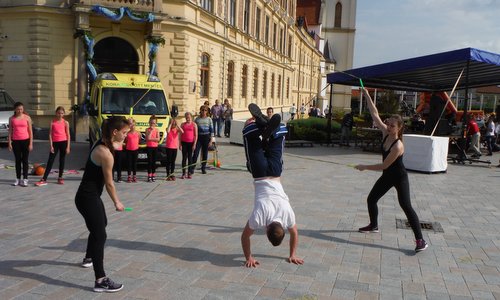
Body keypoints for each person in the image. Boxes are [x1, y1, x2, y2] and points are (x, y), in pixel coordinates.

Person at [355, 88, 428, 253]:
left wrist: (364, 167)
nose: (388, 127)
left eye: (392, 126)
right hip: (387, 176)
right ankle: (373, 225)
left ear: (399, 128)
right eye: (388, 124)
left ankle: (420, 240)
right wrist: (366, 94)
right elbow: (375, 113)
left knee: (406, 206)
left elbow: (384, 166)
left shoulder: (398, 146)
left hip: (399, 177)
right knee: (371, 199)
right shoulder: (385, 134)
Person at [241, 103, 304, 268]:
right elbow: (245, 237)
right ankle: (258, 127)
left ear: (282, 228)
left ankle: (270, 129)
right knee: (249, 136)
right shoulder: (259, 217)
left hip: (275, 173)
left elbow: (294, 233)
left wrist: (293, 254)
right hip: (260, 174)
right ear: (266, 230)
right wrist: (249, 258)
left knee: (281, 132)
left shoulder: (287, 216)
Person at [75, 116, 129, 293]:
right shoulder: (105, 153)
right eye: (124, 132)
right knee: (100, 235)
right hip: (87, 198)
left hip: (88, 196)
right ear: (115, 132)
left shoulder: (103, 140)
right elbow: (109, 183)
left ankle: (89, 257)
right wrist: (117, 202)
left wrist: (129, 127)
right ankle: (100, 279)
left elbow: (119, 143)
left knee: (100, 225)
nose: (126, 135)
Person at [35, 106, 70, 186]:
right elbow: (50, 134)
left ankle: (60, 177)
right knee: (50, 161)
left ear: (63, 114)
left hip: (64, 142)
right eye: (58, 113)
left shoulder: (66, 123)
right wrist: (51, 146)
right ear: (56, 113)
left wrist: (68, 147)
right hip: (55, 143)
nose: (60, 115)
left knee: (62, 160)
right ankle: (44, 178)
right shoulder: (52, 122)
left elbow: (68, 135)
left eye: (61, 113)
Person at [8, 102, 33, 187]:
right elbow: (10, 131)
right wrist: (9, 143)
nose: (20, 111)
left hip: (25, 141)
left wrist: (31, 143)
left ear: (23, 109)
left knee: (25, 161)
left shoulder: (27, 118)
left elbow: (30, 131)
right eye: (18, 109)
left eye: (21, 109)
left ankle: (25, 179)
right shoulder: (11, 118)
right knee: (17, 161)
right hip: (16, 142)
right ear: (15, 109)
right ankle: (18, 179)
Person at [190, 105, 213, 175]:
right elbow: (193, 130)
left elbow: (212, 131)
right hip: (199, 138)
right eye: (202, 110)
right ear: (200, 111)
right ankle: (192, 168)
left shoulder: (209, 119)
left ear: (207, 111)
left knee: (205, 154)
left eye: (205, 110)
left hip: (206, 137)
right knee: (196, 153)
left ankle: (203, 168)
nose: (204, 112)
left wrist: (211, 140)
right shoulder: (197, 119)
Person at [180, 112, 198, 179]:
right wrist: (180, 144)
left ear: (191, 117)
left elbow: (196, 135)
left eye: (189, 117)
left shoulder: (194, 125)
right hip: (184, 143)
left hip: (191, 143)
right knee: (184, 158)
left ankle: (189, 173)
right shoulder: (183, 124)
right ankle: (183, 173)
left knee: (190, 158)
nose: (188, 118)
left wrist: (194, 144)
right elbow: (180, 135)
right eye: (186, 117)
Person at [124, 118, 139, 183]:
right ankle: (129, 176)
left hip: (135, 149)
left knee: (134, 163)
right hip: (128, 149)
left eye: (133, 125)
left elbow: (139, 140)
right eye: (131, 125)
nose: (132, 126)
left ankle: (134, 176)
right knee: (129, 163)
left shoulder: (138, 133)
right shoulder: (127, 133)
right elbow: (125, 141)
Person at [146, 115, 160, 182]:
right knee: (149, 162)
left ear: (156, 123)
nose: (152, 124)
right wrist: (151, 131)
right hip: (149, 147)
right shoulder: (147, 129)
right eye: (151, 123)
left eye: (154, 123)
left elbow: (158, 139)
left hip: (155, 147)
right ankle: (149, 175)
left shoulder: (157, 130)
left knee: (154, 162)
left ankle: (153, 175)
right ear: (149, 123)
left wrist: (152, 139)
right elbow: (147, 138)